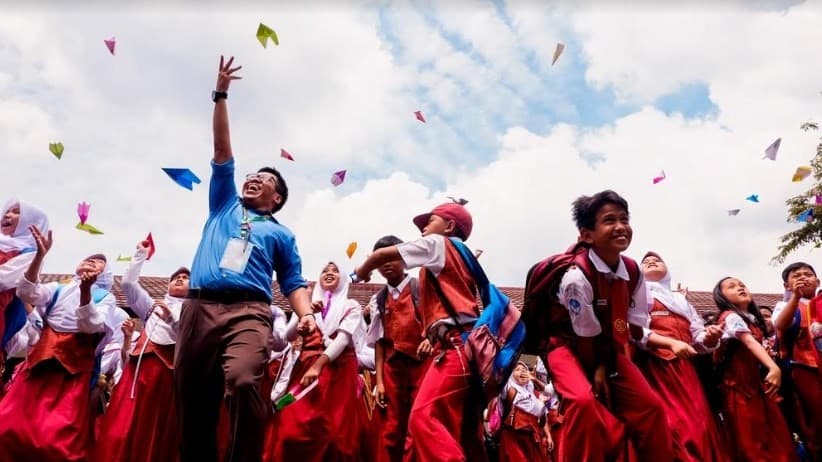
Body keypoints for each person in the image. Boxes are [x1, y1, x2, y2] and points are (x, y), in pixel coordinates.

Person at [174, 55, 315, 462]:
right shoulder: (223, 204)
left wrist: (305, 314)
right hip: (198, 309)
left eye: (267, 180)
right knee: (192, 401)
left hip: (249, 312)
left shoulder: (281, 234)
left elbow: (292, 282)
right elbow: (221, 149)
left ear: (278, 199)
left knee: (242, 382)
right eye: (253, 175)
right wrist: (220, 95)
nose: (255, 179)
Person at [523, 190, 672, 461]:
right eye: (609, 220)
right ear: (586, 235)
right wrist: (600, 368)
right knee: (583, 404)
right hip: (566, 346)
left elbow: (633, 326)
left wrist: (610, 364)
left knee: (652, 408)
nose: (620, 227)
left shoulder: (634, 272)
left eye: (624, 219)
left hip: (607, 349)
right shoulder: (576, 278)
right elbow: (585, 335)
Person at [354, 200, 486, 462]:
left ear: (449, 226)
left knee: (424, 418)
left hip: (452, 346)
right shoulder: (462, 255)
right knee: (460, 428)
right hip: (464, 348)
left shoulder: (438, 244)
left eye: (431, 221)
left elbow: (381, 255)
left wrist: (360, 272)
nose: (424, 227)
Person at [0, 225, 116, 462]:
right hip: (37, 365)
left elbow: (91, 326)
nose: (92, 262)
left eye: (98, 262)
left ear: (105, 274)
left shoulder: (106, 297)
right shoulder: (59, 288)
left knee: (57, 441)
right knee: (8, 426)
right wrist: (40, 257)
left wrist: (86, 291)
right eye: (89, 259)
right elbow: (27, 293)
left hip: (72, 374)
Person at [94, 239, 190, 462]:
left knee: (157, 428)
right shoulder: (152, 307)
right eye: (176, 276)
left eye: (185, 278)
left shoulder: (196, 311)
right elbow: (128, 284)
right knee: (122, 425)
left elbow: (194, 339)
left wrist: (173, 319)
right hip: (137, 374)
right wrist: (140, 255)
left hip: (167, 377)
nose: (179, 278)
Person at [266, 260, 365, 461]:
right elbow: (289, 336)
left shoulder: (351, 306)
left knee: (335, 434)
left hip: (338, 374)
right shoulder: (306, 305)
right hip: (304, 371)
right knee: (290, 422)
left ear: (343, 279)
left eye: (335, 271)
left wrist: (318, 366)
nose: (329, 273)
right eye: (324, 271)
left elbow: (343, 340)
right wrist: (305, 317)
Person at [638, 251, 727, 461]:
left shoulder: (680, 300)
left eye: (657, 260)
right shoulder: (639, 295)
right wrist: (669, 343)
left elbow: (697, 335)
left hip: (687, 369)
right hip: (658, 367)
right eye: (645, 262)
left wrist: (711, 337)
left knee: (702, 423)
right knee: (677, 424)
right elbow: (634, 331)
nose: (651, 262)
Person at [712, 276, 797, 461]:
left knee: (776, 437)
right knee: (750, 442)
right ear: (721, 296)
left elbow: (773, 329)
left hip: (756, 388)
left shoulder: (753, 320)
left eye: (742, 284)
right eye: (732, 286)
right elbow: (749, 342)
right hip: (738, 389)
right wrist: (774, 368)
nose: (740, 287)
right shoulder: (730, 316)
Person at [365, 235, 431, 462]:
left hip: (422, 365)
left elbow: (436, 321)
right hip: (392, 370)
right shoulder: (379, 299)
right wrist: (380, 382)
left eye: (392, 257)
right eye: (380, 261)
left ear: (405, 258)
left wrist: (430, 338)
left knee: (419, 420)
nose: (386, 264)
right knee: (390, 426)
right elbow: (379, 343)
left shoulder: (421, 288)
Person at [774, 263, 822, 460]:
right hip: (805, 369)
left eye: (808, 274)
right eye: (797, 275)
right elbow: (780, 325)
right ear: (787, 285)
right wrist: (795, 297)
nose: (804, 278)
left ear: (817, 281)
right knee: (816, 423)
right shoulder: (785, 306)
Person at [0, 199, 48, 364]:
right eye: (7, 210)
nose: (7, 214)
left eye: (16, 212)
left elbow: (3, 279)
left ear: (31, 222)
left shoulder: (30, 253)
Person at [498, 361, 552, 462]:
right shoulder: (509, 389)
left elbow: (542, 419)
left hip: (532, 439)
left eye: (524, 370)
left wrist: (548, 436)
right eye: (517, 370)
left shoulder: (535, 395)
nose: (522, 371)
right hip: (514, 438)